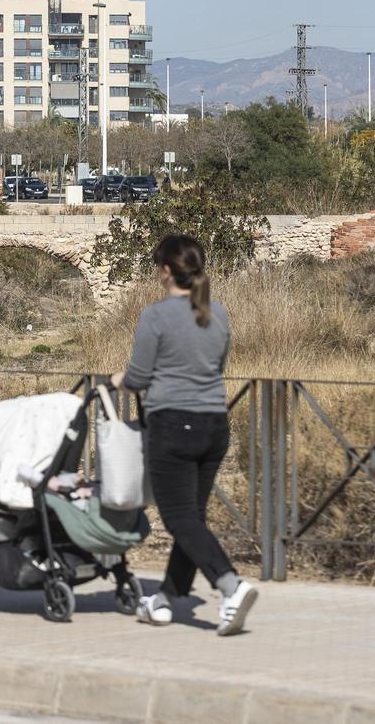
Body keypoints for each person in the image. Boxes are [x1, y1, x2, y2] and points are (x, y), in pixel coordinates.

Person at [110, 234, 258, 636]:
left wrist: (118, 379)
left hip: (172, 425)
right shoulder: (218, 313)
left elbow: (139, 376)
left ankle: (231, 585)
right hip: (214, 423)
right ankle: (163, 600)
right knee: (192, 519)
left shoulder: (155, 316)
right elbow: (216, 365)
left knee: (177, 518)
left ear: (166, 270)